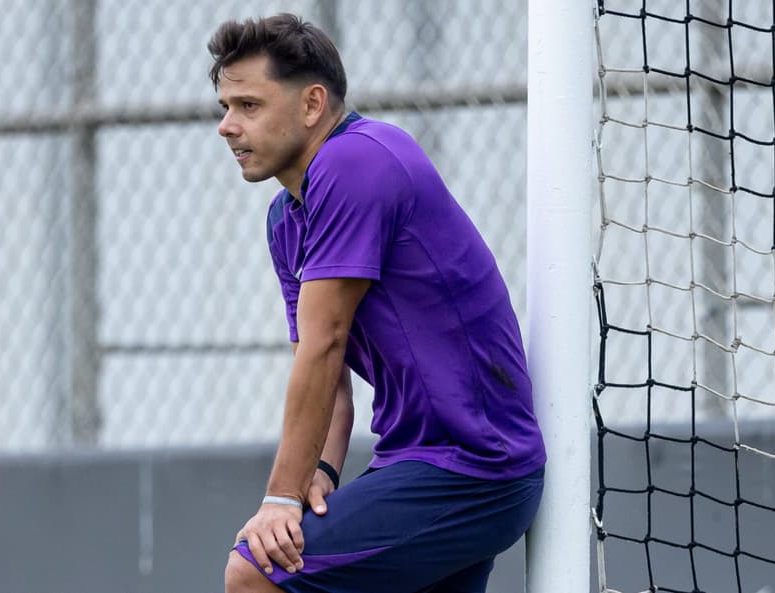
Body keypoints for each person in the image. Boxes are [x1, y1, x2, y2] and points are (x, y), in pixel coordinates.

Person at [209, 13, 546, 593]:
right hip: (420, 465)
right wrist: (318, 472)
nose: (226, 126)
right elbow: (331, 376)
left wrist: (280, 499)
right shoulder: (286, 219)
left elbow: (324, 344)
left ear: (312, 104)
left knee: (256, 571)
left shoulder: (356, 162)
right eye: (224, 107)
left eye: (249, 105)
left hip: (473, 467)